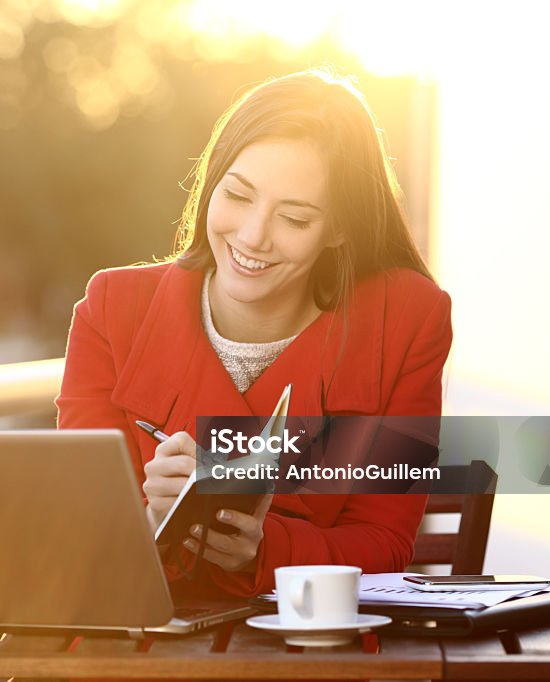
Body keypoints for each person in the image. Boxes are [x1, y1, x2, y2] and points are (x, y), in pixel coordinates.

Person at [55, 69, 452, 599]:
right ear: (212, 181)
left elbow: (386, 542)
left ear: (338, 229)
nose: (251, 236)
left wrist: (268, 548)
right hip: (136, 646)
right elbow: (74, 537)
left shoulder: (406, 321)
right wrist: (150, 515)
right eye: (237, 196)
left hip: (305, 646)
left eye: (294, 217)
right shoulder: (112, 309)